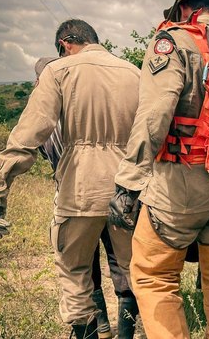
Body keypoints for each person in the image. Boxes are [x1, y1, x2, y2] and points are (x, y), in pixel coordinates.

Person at [108, 0, 209, 338]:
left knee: (154, 277)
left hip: (180, 189)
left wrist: (128, 183)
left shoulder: (173, 41)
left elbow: (154, 114)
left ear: (185, 7)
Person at [0, 19, 140, 339]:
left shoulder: (58, 72)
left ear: (65, 44)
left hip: (79, 190)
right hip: (127, 191)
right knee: (130, 270)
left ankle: (90, 333)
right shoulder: (134, 73)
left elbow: (28, 136)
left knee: (75, 275)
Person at [35, 56, 139, 339]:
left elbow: (49, 156)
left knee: (81, 268)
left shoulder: (50, 118)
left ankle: (100, 329)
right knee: (123, 264)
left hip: (77, 197)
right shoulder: (95, 102)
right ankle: (127, 332)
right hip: (120, 194)